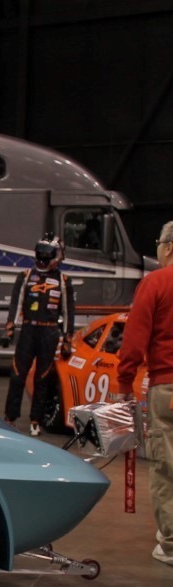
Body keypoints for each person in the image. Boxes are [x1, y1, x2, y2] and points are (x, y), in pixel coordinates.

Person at [114, 220, 173, 566]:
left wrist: (125, 383)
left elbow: (135, 340)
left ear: (168, 247)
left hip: (167, 388)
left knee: (166, 467)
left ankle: (171, 544)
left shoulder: (155, 282)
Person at [1, 233, 75, 436]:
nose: (42, 259)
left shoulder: (63, 280)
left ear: (56, 256)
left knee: (42, 378)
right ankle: (10, 417)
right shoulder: (25, 276)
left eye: (46, 255)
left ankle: (36, 420)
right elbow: (16, 304)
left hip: (49, 332)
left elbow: (68, 312)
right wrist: (9, 329)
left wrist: (67, 339)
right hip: (28, 330)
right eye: (40, 255)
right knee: (17, 375)